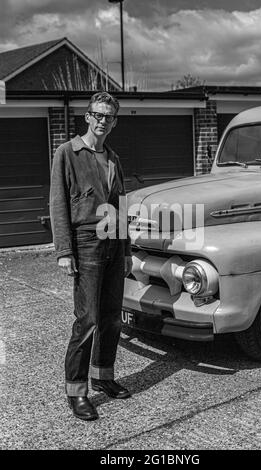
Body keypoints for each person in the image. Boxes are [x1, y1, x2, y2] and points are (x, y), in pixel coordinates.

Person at [50, 92, 132, 421]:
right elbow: (57, 204)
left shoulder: (113, 158)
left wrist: (125, 251)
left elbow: (121, 207)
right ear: (87, 117)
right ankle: (76, 392)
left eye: (108, 117)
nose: (102, 121)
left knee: (112, 317)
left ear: (114, 121)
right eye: (97, 115)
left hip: (113, 242)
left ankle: (103, 376)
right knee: (88, 320)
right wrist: (64, 251)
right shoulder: (67, 153)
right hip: (85, 242)